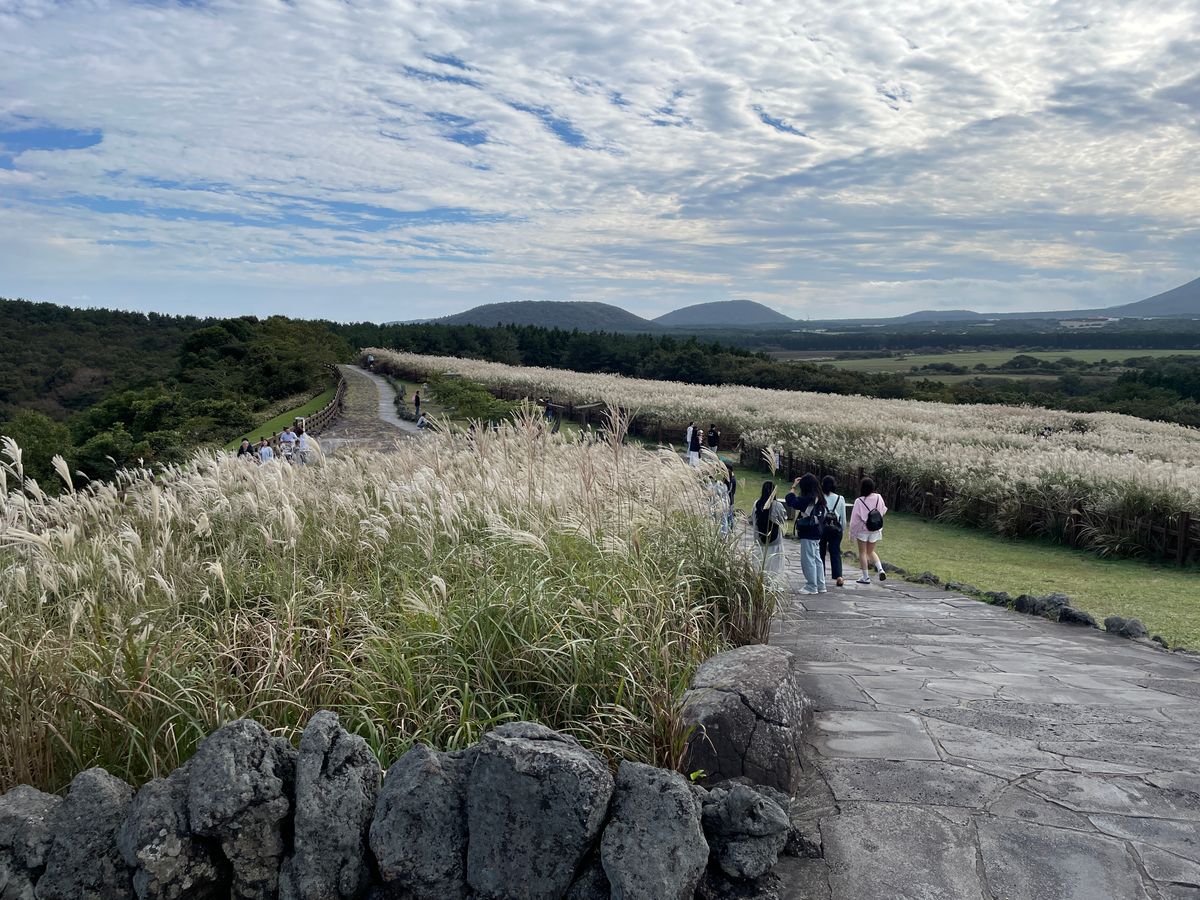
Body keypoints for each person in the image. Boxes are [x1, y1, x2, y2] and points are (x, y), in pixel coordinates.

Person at [788, 473, 827, 594]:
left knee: (808, 560)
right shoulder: (819, 498)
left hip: (808, 532)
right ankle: (820, 584)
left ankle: (811, 586)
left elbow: (791, 501)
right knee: (817, 559)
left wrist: (793, 487)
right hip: (817, 531)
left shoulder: (807, 499)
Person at [850, 477, 889, 584]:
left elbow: (854, 520)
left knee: (862, 552)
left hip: (863, 530)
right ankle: (880, 569)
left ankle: (865, 577)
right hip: (875, 529)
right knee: (870, 551)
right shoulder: (879, 497)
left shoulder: (859, 501)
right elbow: (883, 511)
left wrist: (852, 534)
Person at [753, 480, 788, 585]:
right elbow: (783, 520)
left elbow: (754, 520)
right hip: (775, 541)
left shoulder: (756, 504)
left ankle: (760, 583)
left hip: (759, 540)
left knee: (760, 564)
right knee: (775, 566)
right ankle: (773, 584)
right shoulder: (778, 505)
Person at [820, 475, 847, 588]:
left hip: (822, 528)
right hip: (836, 529)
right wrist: (842, 529)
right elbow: (843, 518)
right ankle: (839, 576)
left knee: (820, 552)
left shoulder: (819, 497)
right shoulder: (840, 498)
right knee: (835, 552)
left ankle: (820, 574)